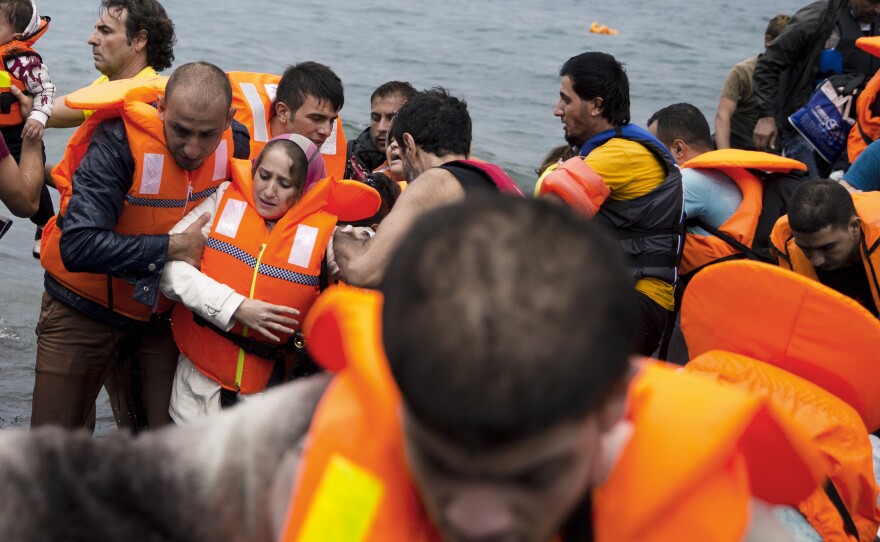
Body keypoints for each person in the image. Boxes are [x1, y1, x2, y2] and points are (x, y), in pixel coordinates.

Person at [0, 198, 824, 542]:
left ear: (615, 405)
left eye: (527, 473)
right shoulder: (313, 437)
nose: (477, 517)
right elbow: (83, 482)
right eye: (442, 460)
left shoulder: (736, 524)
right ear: (394, 388)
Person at [33, 62, 250, 431]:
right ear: (162, 107)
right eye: (180, 130)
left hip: (159, 319)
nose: (193, 148)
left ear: (229, 119)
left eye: (207, 134)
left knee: (157, 443)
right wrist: (171, 247)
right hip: (80, 310)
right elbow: (78, 245)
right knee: (52, 446)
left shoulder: (237, 142)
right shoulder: (116, 143)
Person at [160, 138, 378, 423]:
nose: (269, 191)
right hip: (196, 388)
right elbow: (168, 270)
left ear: (303, 190)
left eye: (284, 184)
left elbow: (370, 259)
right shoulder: (222, 200)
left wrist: (357, 251)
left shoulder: (327, 236)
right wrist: (236, 307)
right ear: (254, 169)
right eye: (264, 176)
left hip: (269, 400)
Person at [537, 51, 683, 356]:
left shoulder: (623, 155)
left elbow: (545, 217)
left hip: (635, 304)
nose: (556, 110)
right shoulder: (605, 151)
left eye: (566, 99)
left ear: (596, 105)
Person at [331, 87, 523, 288]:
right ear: (468, 149)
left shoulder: (434, 182)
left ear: (409, 144)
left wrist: (341, 237)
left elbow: (362, 270)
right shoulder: (499, 179)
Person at [647, 103, 806, 278]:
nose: (649, 159)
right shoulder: (728, 172)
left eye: (653, 150)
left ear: (678, 148)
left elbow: (643, 218)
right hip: (754, 270)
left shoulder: (692, 178)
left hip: (728, 281)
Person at [752, 0, 880, 176]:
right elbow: (768, 65)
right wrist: (766, 116)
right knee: (811, 194)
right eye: (872, 2)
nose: (877, 9)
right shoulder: (816, 19)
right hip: (809, 129)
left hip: (859, 135)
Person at [770, 179, 880, 316]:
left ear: (854, 227)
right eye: (804, 248)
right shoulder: (783, 248)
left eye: (828, 247)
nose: (816, 261)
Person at [227, 62, 348, 179]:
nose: (326, 131)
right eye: (315, 119)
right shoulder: (236, 140)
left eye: (331, 121)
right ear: (283, 112)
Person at [0, 0, 54, 257]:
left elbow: (45, 91)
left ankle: (46, 224)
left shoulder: (21, 59)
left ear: (16, 36)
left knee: (34, 184)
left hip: (20, 133)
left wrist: (38, 117)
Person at [715, 14, 791, 151]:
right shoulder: (742, 72)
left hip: (774, 149)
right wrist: (724, 157)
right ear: (768, 41)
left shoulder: (796, 76)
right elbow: (723, 115)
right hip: (737, 144)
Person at [344, 80, 417, 181]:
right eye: (376, 118)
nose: (381, 128)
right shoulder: (351, 158)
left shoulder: (427, 161)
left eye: (391, 118)